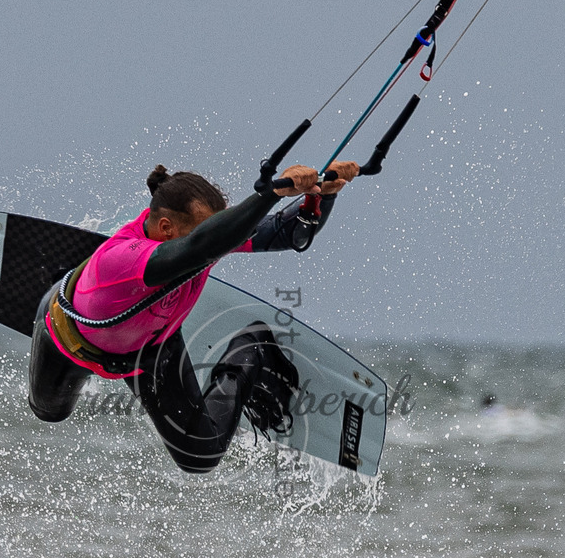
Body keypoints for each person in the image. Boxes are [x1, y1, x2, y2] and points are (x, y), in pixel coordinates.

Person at [28, 160, 359, 472]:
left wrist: (320, 199)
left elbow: (290, 235)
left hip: (152, 350)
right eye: (212, 235)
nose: (221, 245)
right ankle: (65, 280)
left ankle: (252, 350)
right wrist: (270, 193)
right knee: (47, 412)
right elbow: (203, 244)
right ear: (166, 228)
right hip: (66, 337)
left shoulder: (200, 238)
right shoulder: (123, 260)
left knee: (200, 457)